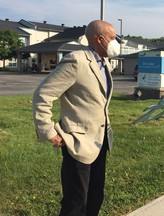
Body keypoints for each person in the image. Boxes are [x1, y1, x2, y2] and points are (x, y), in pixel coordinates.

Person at [32, 20, 120, 216]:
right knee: (76, 202)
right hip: (77, 142)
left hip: (100, 142)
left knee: (95, 196)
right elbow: (43, 95)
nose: (116, 43)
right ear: (100, 39)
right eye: (113, 38)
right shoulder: (76, 60)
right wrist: (47, 131)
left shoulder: (104, 63)